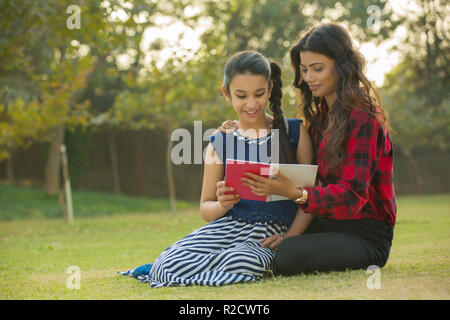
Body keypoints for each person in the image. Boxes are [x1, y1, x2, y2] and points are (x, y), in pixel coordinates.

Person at [118, 50, 314, 287]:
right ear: (226, 94)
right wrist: (223, 204)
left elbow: (311, 198)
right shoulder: (220, 142)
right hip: (227, 227)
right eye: (241, 96)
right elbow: (205, 208)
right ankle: (210, 267)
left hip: (270, 234)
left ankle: (211, 268)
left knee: (244, 260)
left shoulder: (294, 132)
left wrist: (289, 239)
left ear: (270, 89)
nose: (251, 104)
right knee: (164, 265)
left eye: (259, 94)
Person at [219, 23, 396, 275]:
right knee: (259, 232)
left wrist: (296, 193)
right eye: (304, 70)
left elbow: (353, 196)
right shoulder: (321, 117)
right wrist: (237, 126)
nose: (308, 78)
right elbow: (298, 161)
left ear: (341, 66)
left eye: (317, 69)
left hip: (364, 235)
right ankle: (185, 263)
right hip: (326, 222)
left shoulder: (363, 117)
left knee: (289, 254)